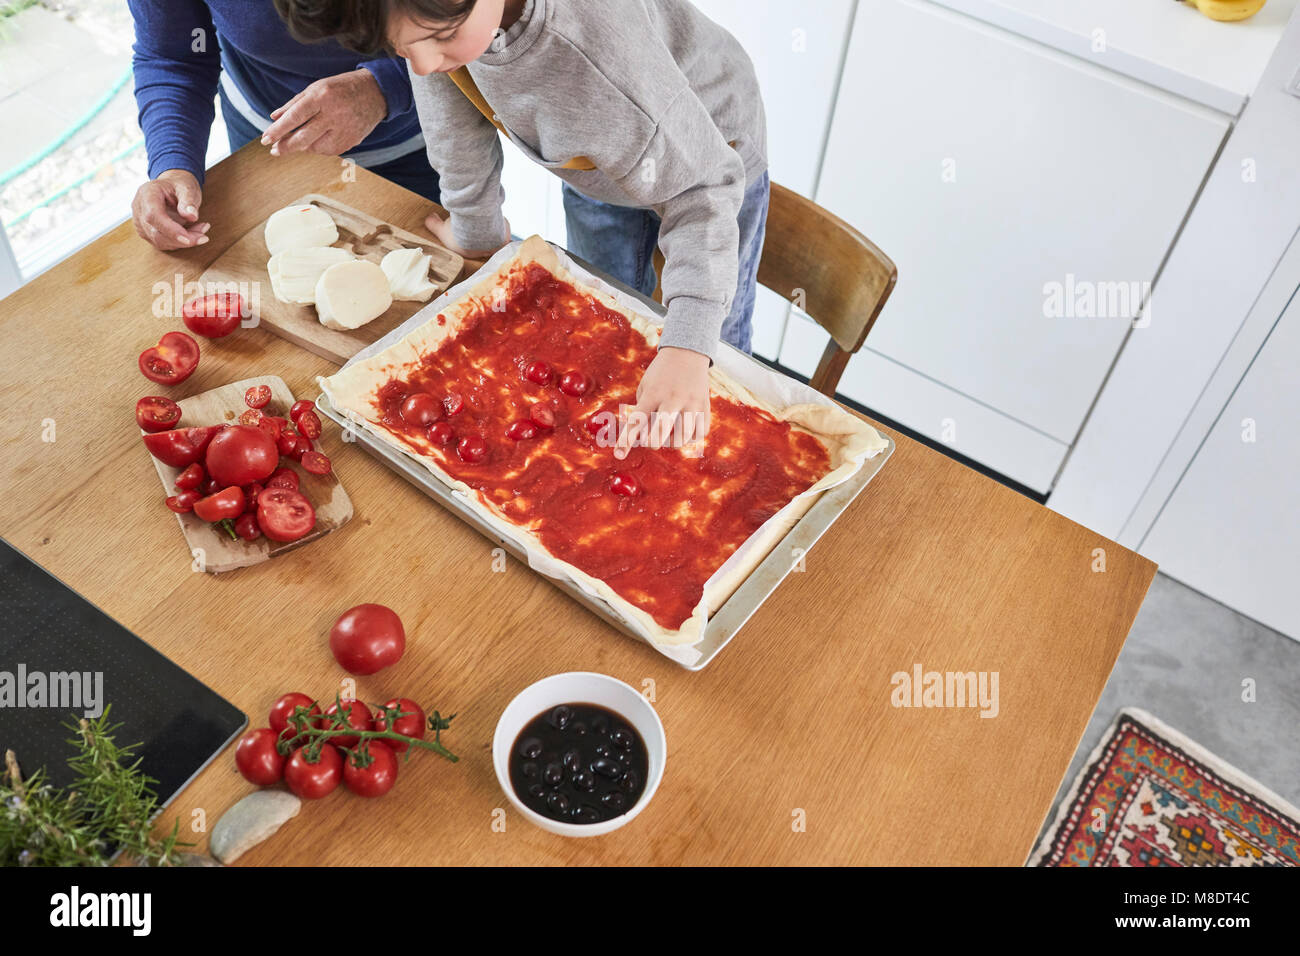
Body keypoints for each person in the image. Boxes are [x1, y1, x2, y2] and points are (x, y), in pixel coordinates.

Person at [273, 0, 769, 455]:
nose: (421, 64)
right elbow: (454, 116)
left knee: (709, 358)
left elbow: (703, 190)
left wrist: (688, 348)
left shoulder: (596, 52)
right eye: (402, 48)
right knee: (610, 321)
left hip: (708, 164)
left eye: (440, 40)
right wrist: (475, 229)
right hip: (598, 164)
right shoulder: (436, 14)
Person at [127, 0, 443, 252]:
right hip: (269, 149)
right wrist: (173, 165)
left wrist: (388, 85)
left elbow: (476, 19)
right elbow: (176, 54)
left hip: (423, 139)